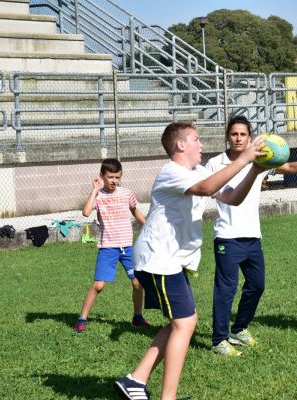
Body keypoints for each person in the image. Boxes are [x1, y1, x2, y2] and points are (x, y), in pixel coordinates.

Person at [114, 122, 266, 400]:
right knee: (185, 323)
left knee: (179, 322)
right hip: (157, 260)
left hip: (170, 261)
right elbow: (208, 188)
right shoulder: (172, 172)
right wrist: (244, 158)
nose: (202, 144)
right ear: (181, 145)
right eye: (196, 139)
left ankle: (134, 380)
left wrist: (253, 171)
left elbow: (231, 197)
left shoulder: (196, 171)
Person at [206, 115, 297, 356]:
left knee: (257, 285)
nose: (238, 138)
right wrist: (255, 171)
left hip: (252, 236)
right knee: (226, 289)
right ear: (227, 136)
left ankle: (239, 328)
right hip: (227, 236)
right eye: (234, 134)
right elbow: (232, 196)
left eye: (243, 134)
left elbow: (287, 166)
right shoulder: (215, 164)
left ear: (249, 137)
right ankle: (219, 340)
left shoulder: (259, 159)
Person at [74, 158, 147, 333]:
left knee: (138, 284)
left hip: (128, 248)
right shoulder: (98, 196)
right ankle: (82, 318)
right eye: (110, 177)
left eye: (117, 177)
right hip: (108, 247)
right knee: (99, 285)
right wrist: (94, 190)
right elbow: (85, 212)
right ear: (102, 176)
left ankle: (137, 317)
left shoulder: (126, 193)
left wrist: (148, 225)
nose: (114, 181)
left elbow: (135, 211)